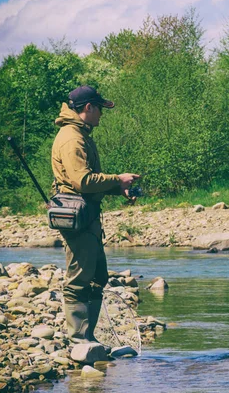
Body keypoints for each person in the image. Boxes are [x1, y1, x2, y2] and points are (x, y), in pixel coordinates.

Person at [51, 85, 139, 344]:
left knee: (97, 278)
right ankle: (80, 342)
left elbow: (86, 183)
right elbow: (82, 181)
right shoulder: (72, 138)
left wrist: (117, 187)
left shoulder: (81, 133)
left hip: (86, 214)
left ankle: (88, 337)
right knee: (79, 280)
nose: (102, 113)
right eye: (100, 108)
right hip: (77, 218)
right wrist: (117, 178)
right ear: (88, 108)